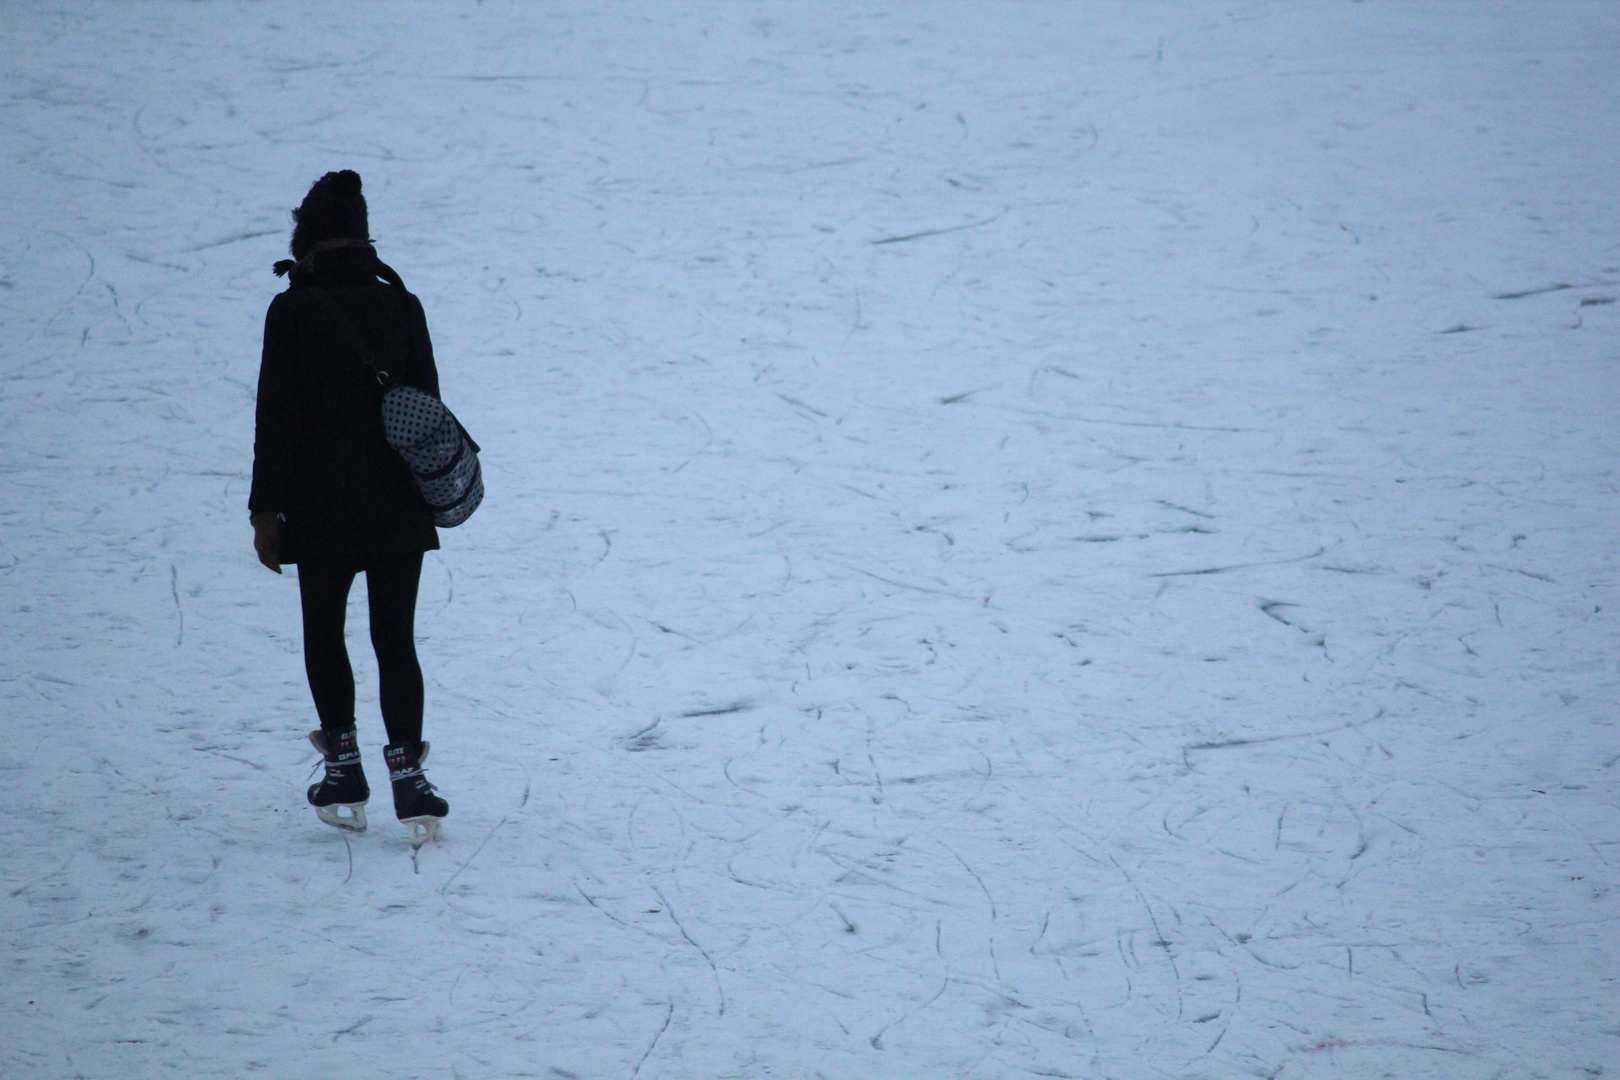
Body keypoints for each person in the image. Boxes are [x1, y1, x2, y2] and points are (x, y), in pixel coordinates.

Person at [249, 170, 449, 845]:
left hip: (321, 506)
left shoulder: (294, 310)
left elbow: (277, 417)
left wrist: (266, 511)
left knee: (325, 631)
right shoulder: (402, 303)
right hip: (397, 506)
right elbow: (426, 408)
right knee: (395, 639)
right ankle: (409, 776)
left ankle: (343, 767)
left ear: (308, 239)